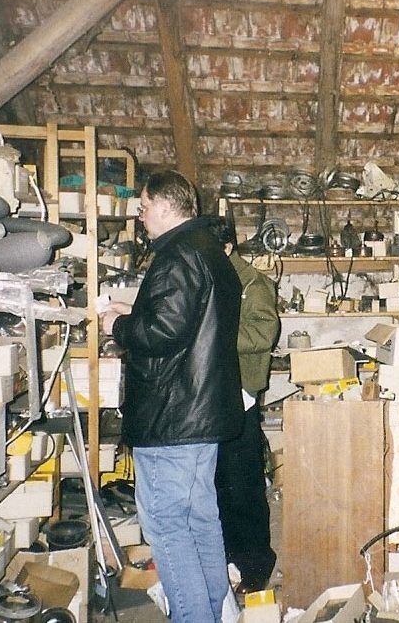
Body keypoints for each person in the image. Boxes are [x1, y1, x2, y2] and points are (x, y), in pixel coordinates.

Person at [100, 171, 243, 623]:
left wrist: (117, 325)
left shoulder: (177, 255)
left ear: (164, 206)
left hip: (171, 417)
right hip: (202, 413)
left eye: (143, 208)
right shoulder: (207, 251)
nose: (141, 218)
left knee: (166, 526)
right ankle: (217, 613)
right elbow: (190, 322)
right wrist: (136, 310)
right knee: (200, 520)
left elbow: (163, 333)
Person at [201, 214, 281, 594]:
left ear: (227, 247)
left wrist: (212, 334)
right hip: (211, 394)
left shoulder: (253, 284)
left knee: (244, 485)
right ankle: (228, 563)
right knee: (217, 484)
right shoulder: (211, 278)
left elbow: (264, 333)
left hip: (240, 396)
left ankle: (256, 566)